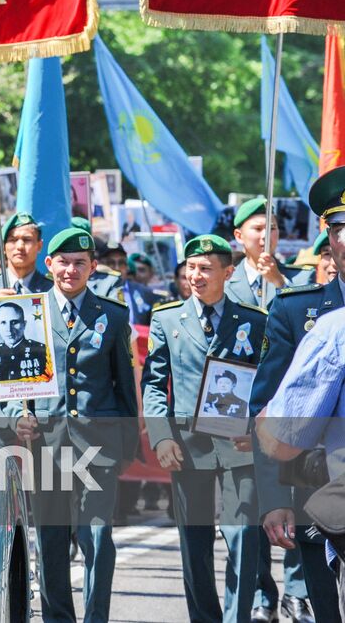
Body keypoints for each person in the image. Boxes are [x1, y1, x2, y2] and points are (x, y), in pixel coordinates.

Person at [9, 226, 139, 623]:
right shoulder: (25, 314)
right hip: (46, 444)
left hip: (97, 445)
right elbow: (9, 383)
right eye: (63, 262)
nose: (71, 270)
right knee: (50, 540)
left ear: (93, 267)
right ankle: (57, 618)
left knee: (97, 537)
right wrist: (18, 417)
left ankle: (96, 616)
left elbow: (124, 388)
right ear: (48, 265)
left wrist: (126, 447)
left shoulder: (113, 317)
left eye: (80, 263)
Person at [142, 233, 266, 623]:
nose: (195, 276)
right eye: (191, 268)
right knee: (194, 543)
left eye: (206, 269)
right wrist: (161, 436)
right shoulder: (166, 319)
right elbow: (154, 384)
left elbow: (267, 384)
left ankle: (237, 616)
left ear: (228, 273)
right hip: (186, 444)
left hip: (238, 443)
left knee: (243, 535)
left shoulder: (254, 319)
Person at [251, 169, 345, 623]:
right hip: (316, 496)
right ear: (329, 240)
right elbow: (269, 411)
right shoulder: (296, 309)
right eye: (343, 230)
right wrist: (274, 498)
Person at [257, 293, 345, 623]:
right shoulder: (299, 310)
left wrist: (265, 426)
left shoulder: (335, 330)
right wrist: (275, 499)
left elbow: (283, 440)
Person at [230, 197, 314, 309]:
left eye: (272, 228)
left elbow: (304, 316)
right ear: (239, 236)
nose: (266, 235)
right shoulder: (225, 279)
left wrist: (280, 283)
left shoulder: (302, 278)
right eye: (258, 229)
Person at [0, 213, 53, 297]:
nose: (20, 247)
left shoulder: (52, 289)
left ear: (39, 246)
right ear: (3, 247)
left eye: (27, 240)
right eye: (13, 240)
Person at [0, 301, 50, 382]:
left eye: (14, 322)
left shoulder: (43, 352)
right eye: (3, 323)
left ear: (24, 324)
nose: (9, 329)